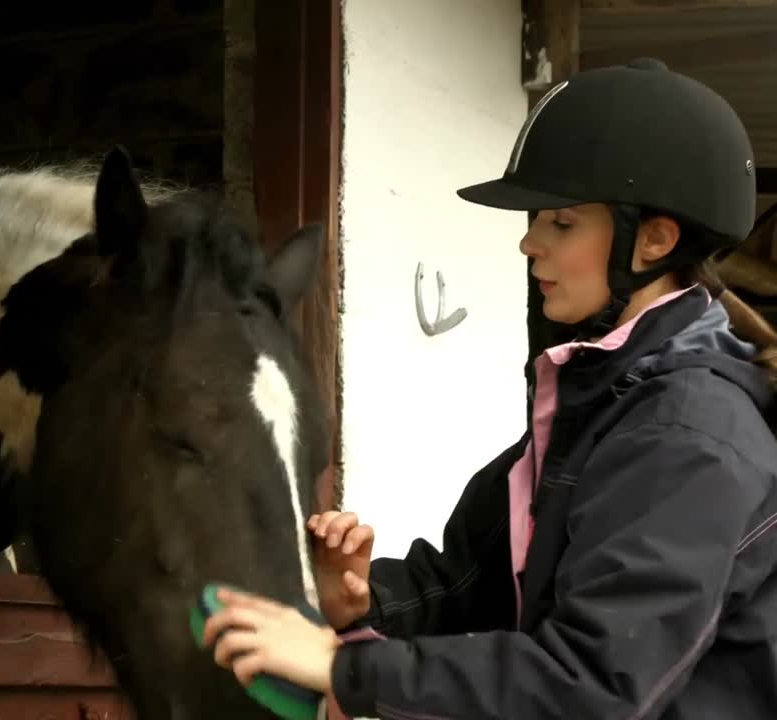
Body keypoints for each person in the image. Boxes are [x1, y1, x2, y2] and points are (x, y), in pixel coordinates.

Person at [201, 58, 777, 719]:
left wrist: (341, 668)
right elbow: (471, 581)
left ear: (653, 241)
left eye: (562, 223)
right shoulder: (602, 398)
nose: (529, 243)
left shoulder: (687, 434)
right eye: (536, 220)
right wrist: (365, 601)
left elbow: (593, 685)